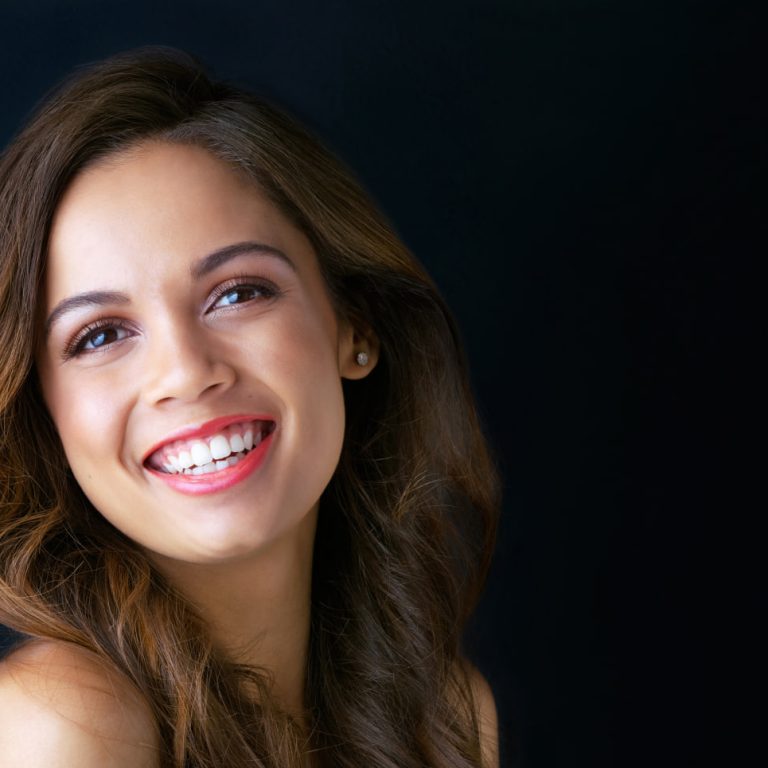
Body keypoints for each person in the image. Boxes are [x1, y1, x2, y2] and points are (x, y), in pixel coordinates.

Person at [0, 47, 500, 767]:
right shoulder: (66, 722)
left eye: (237, 293)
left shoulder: (446, 716)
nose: (184, 372)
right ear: (42, 414)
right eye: (100, 335)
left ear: (354, 327)